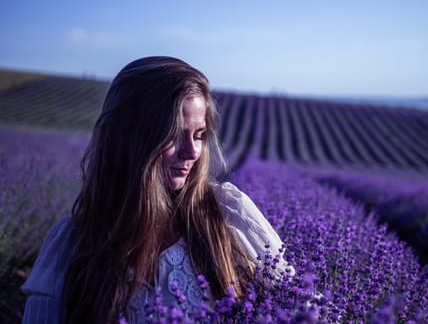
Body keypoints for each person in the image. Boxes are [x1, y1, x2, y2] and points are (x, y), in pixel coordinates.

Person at [21, 56, 290, 323]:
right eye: (174, 134)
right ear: (129, 138)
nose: (192, 151)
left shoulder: (227, 215)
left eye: (199, 135)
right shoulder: (71, 244)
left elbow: (304, 310)